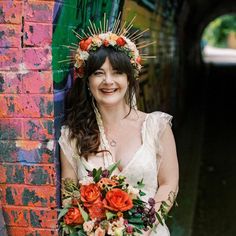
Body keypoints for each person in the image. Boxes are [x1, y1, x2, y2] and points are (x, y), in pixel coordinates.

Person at [59, 18, 179, 236]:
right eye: (98, 73)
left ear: (129, 77)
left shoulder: (156, 127)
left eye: (116, 72)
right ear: (87, 81)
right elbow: (69, 196)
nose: (108, 81)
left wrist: (140, 230)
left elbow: (169, 184)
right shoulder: (71, 136)